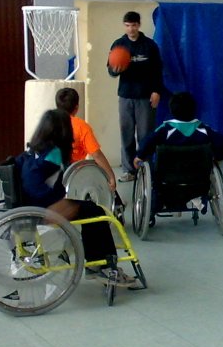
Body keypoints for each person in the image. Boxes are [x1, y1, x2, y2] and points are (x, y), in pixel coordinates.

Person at [17, 109, 137, 287]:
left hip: (31, 203)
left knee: (89, 209)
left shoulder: (33, 149)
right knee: (96, 212)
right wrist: (58, 202)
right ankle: (103, 266)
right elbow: (43, 185)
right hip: (45, 206)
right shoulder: (55, 153)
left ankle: (95, 260)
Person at [108, 11, 164, 183]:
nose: (130, 29)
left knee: (145, 135)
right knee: (126, 133)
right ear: (124, 26)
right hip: (126, 95)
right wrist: (114, 70)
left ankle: (144, 168)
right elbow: (110, 69)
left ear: (138, 25)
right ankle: (129, 170)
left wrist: (156, 91)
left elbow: (157, 70)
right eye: (127, 25)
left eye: (133, 25)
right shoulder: (118, 45)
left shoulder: (150, 45)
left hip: (145, 96)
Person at [133, 91, 223, 163]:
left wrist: (139, 156)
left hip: (167, 179)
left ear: (172, 110)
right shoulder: (204, 129)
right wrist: (217, 158)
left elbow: (147, 142)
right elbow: (222, 143)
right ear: (194, 109)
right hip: (199, 179)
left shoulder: (164, 129)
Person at [54, 87, 116, 192]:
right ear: (76, 108)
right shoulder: (81, 127)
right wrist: (111, 175)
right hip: (73, 176)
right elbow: (96, 154)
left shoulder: (49, 123)